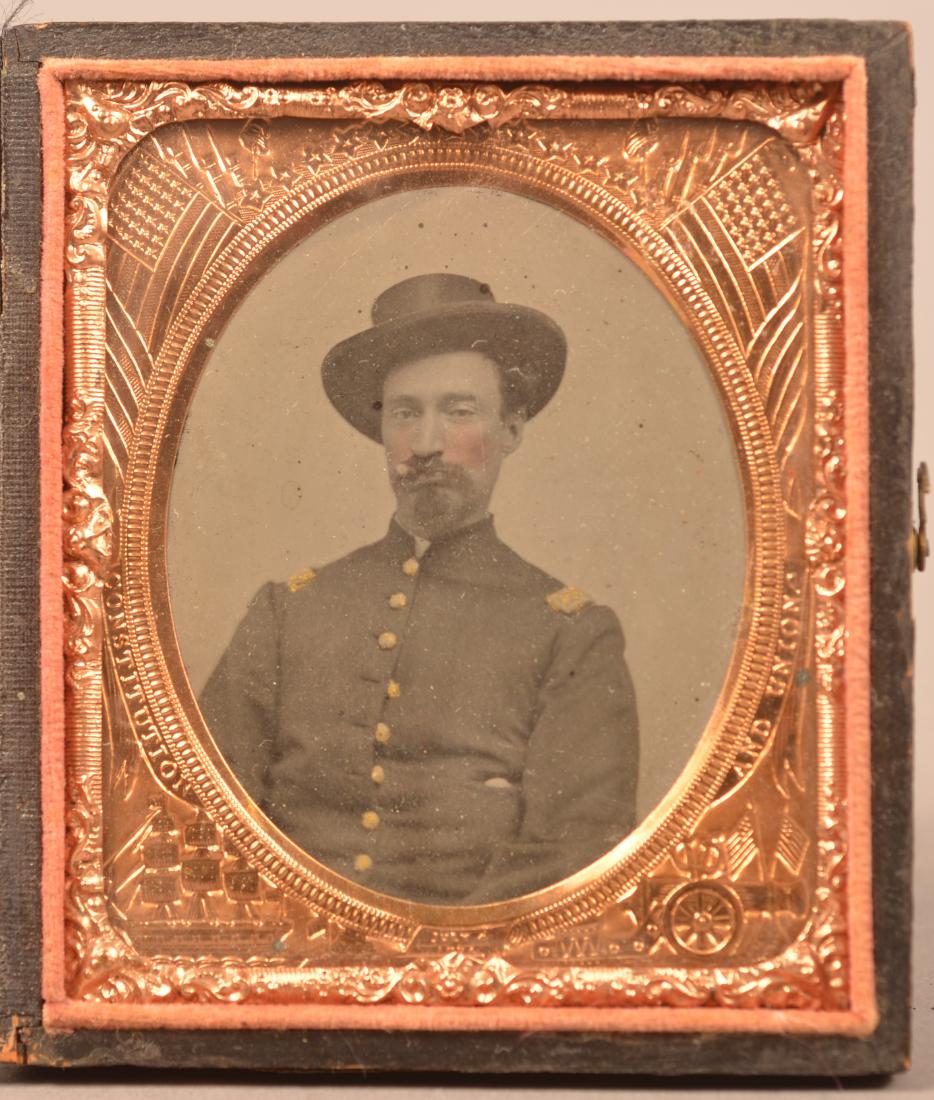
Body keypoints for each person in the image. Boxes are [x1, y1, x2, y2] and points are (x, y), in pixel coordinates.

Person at [199, 273, 639, 906]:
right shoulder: (288, 610)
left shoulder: (571, 634)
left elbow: (572, 860)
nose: (426, 445)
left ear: (510, 430)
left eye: (459, 412)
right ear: (383, 431)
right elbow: (207, 811)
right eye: (405, 414)